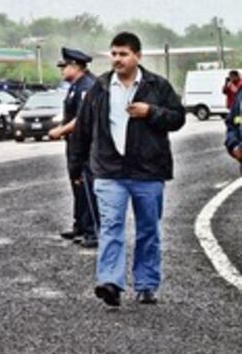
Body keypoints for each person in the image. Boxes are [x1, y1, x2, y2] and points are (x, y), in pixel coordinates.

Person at [70, 32, 185, 307]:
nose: (117, 59)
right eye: (114, 54)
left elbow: (178, 118)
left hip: (148, 172)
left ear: (138, 56)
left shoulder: (157, 86)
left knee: (148, 230)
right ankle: (110, 282)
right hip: (109, 171)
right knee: (111, 227)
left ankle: (146, 284)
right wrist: (76, 167)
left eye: (123, 54)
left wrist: (151, 112)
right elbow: (82, 129)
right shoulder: (99, 88)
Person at [48, 47, 98, 248]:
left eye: (65, 66)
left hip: (86, 146)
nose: (62, 70)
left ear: (76, 66)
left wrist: (60, 130)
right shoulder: (75, 86)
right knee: (78, 185)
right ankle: (81, 225)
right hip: (75, 144)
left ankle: (92, 231)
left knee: (87, 187)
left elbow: (82, 119)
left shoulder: (87, 86)